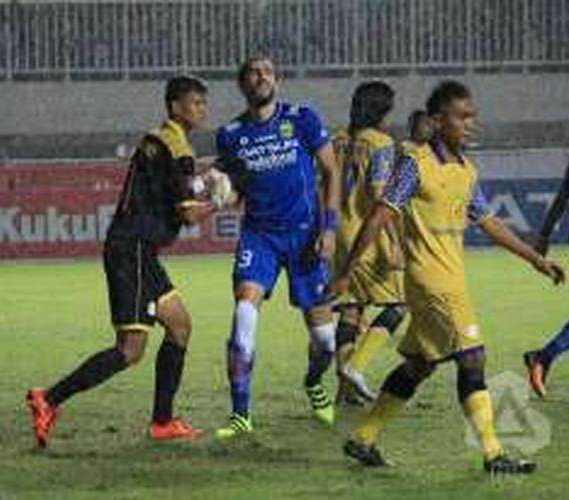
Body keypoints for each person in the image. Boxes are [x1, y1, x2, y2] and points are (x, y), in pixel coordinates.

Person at [331, 80, 565, 474]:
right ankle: (494, 455)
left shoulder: (465, 170)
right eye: (462, 117)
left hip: (449, 280)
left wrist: (534, 259)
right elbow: (380, 214)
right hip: (430, 282)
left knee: (417, 367)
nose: (470, 125)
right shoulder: (416, 164)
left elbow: (489, 222)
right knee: (473, 358)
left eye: (473, 117)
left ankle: (363, 438)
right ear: (438, 121)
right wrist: (346, 272)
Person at [25, 75, 214, 447]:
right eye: (194, 102)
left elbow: (175, 190)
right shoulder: (177, 148)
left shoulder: (156, 140)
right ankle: (48, 399)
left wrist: (203, 185)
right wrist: (222, 200)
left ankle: (162, 421)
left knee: (180, 326)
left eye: (203, 103)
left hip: (137, 249)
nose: (201, 109)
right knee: (130, 350)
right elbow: (189, 214)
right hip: (135, 250)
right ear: (175, 106)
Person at [213, 56, 341, 437]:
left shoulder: (303, 118)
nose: (262, 77)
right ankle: (240, 412)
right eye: (254, 72)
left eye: (268, 72)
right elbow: (235, 188)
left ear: (277, 81)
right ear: (242, 84)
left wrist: (330, 228)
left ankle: (314, 382)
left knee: (325, 340)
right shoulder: (231, 134)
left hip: (306, 236)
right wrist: (221, 191)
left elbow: (332, 171)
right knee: (244, 314)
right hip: (260, 236)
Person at [331, 81, 407, 407]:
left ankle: (346, 392)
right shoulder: (380, 143)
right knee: (399, 305)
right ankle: (356, 367)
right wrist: (393, 241)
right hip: (367, 235)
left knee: (351, 310)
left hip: (338, 233)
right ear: (381, 110)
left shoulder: (338, 139)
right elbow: (379, 195)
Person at [524, 134, 569, 397]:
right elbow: (566, 194)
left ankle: (542, 357)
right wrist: (543, 236)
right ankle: (543, 356)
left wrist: (544, 235)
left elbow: (564, 195)